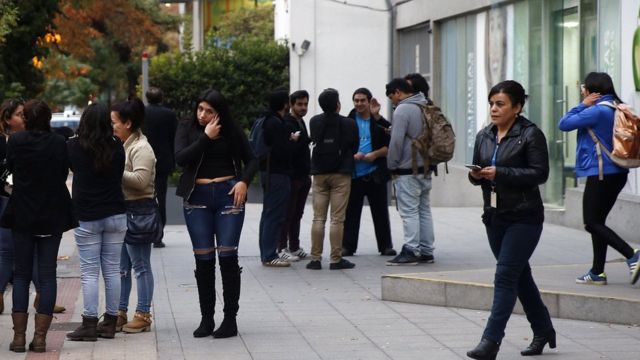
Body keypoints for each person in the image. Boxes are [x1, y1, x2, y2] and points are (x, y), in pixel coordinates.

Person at [466, 80, 555, 359]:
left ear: (517, 107)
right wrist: (476, 175)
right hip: (494, 216)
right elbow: (477, 170)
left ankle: (490, 341)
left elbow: (540, 174)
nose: (494, 109)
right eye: (492, 103)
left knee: (505, 276)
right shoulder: (485, 135)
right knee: (519, 276)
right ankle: (543, 330)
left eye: (500, 104)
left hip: (524, 217)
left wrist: (500, 173)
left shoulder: (530, 135)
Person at [175, 89, 257, 338]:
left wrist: (243, 181)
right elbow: (180, 158)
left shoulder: (232, 130)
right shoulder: (187, 127)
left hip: (228, 194)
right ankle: (206, 318)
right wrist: (205, 138)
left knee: (228, 256)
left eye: (209, 111)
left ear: (219, 112)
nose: (202, 114)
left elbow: (253, 159)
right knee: (203, 258)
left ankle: (230, 319)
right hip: (197, 197)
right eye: (200, 109)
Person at [3, 100, 76, 353]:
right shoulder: (59, 143)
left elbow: (10, 168)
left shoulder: (16, 142)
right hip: (52, 214)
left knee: (21, 274)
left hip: (22, 212)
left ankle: (19, 337)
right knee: (47, 275)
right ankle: (41, 338)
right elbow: (64, 170)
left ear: (27, 119)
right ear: (47, 119)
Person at [558, 72, 640, 286]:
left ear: (592, 91)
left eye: (583, 87)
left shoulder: (596, 111)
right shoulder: (616, 106)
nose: (581, 91)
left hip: (601, 173)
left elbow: (564, 123)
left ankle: (632, 254)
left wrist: (582, 104)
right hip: (618, 172)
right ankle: (597, 272)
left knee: (591, 222)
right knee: (598, 222)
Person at [66, 103, 127, 341]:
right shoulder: (117, 146)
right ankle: (110, 323)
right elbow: (120, 172)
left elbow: (72, 168)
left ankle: (89, 324)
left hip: (87, 215)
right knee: (112, 269)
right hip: (115, 213)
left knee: (89, 272)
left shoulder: (73, 146)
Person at [111, 97, 157, 334]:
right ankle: (120, 312)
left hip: (139, 212)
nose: (112, 126)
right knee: (122, 268)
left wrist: (115, 168)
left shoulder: (142, 148)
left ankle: (143, 314)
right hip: (124, 211)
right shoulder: (123, 144)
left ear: (128, 123)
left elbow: (140, 182)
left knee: (140, 265)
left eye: (115, 122)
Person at [306, 88, 358, 270]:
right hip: (341, 173)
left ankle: (315, 259)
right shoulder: (349, 123)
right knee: (337, 219)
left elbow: (313, 139)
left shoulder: (314, 121)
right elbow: (355, 146)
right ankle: (336, 259)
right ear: (338, 104)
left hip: (319, 173)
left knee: (318, 218)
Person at [385, 78, 435, 265]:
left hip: (407, 169)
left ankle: (411, 250)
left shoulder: (403, 109)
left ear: (398, 92)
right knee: (424, 210)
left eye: (393, 98)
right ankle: (427, 250)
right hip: (426, 168)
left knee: (409, 212)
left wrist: (391, 164)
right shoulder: (425, 105)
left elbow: (396, 141)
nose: (394, 102)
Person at [342, 88, 395, 257]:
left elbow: (391, 143)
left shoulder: (378, 121)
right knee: (351, 213)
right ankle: (348, 246)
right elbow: (341, 147)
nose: (359, 104)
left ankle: (385, 246)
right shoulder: (347, 121)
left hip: (375, 174)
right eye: (356, 100)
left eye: (362, 100)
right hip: (354, 175)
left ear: (369, 101)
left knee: (380, 212)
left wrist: (375, 154)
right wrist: (352, 156)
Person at [258, 89, 299, 267]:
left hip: (267, 171)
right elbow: (282, 151)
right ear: (284, 104)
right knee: (274, 214)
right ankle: (269, 254)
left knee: (268, 214)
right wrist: (292, 141)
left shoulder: (265, 120)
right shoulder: (276, 123)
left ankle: (268, 252)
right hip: (277, 174)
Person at [143, 87, 178, 248]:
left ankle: (144, 230)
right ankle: (158, 235)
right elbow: (173, 138)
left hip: (143, 159)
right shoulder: (169, 115)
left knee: (144, 197)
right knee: (161, 198)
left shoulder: (142, 113)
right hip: (163, 160)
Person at [278, 90, 311, 261]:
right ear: (291, 105)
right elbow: (288, 150)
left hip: (304, 175)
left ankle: (295, 246)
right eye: (299, 104)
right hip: (292, 176)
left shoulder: (301, 122)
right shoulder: (287, 123)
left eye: (305, 104)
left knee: (297, 213)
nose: (303, 107)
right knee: (288, 213)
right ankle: (282, 246)